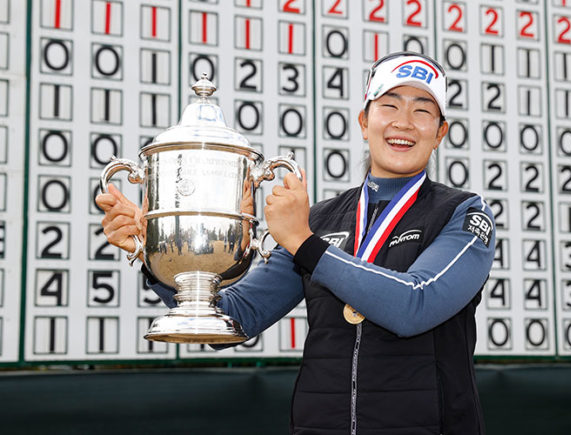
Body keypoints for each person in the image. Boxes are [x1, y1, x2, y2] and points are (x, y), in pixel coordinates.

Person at [97, 51, 495, 435]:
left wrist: (305, 243)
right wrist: (159, 255)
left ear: (440, 132)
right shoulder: (320, 220)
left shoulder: (463, 213)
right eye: (389, 106)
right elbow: (235, 318)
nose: (404, 122)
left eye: (422, 110)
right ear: (364, 120)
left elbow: (416, 304)